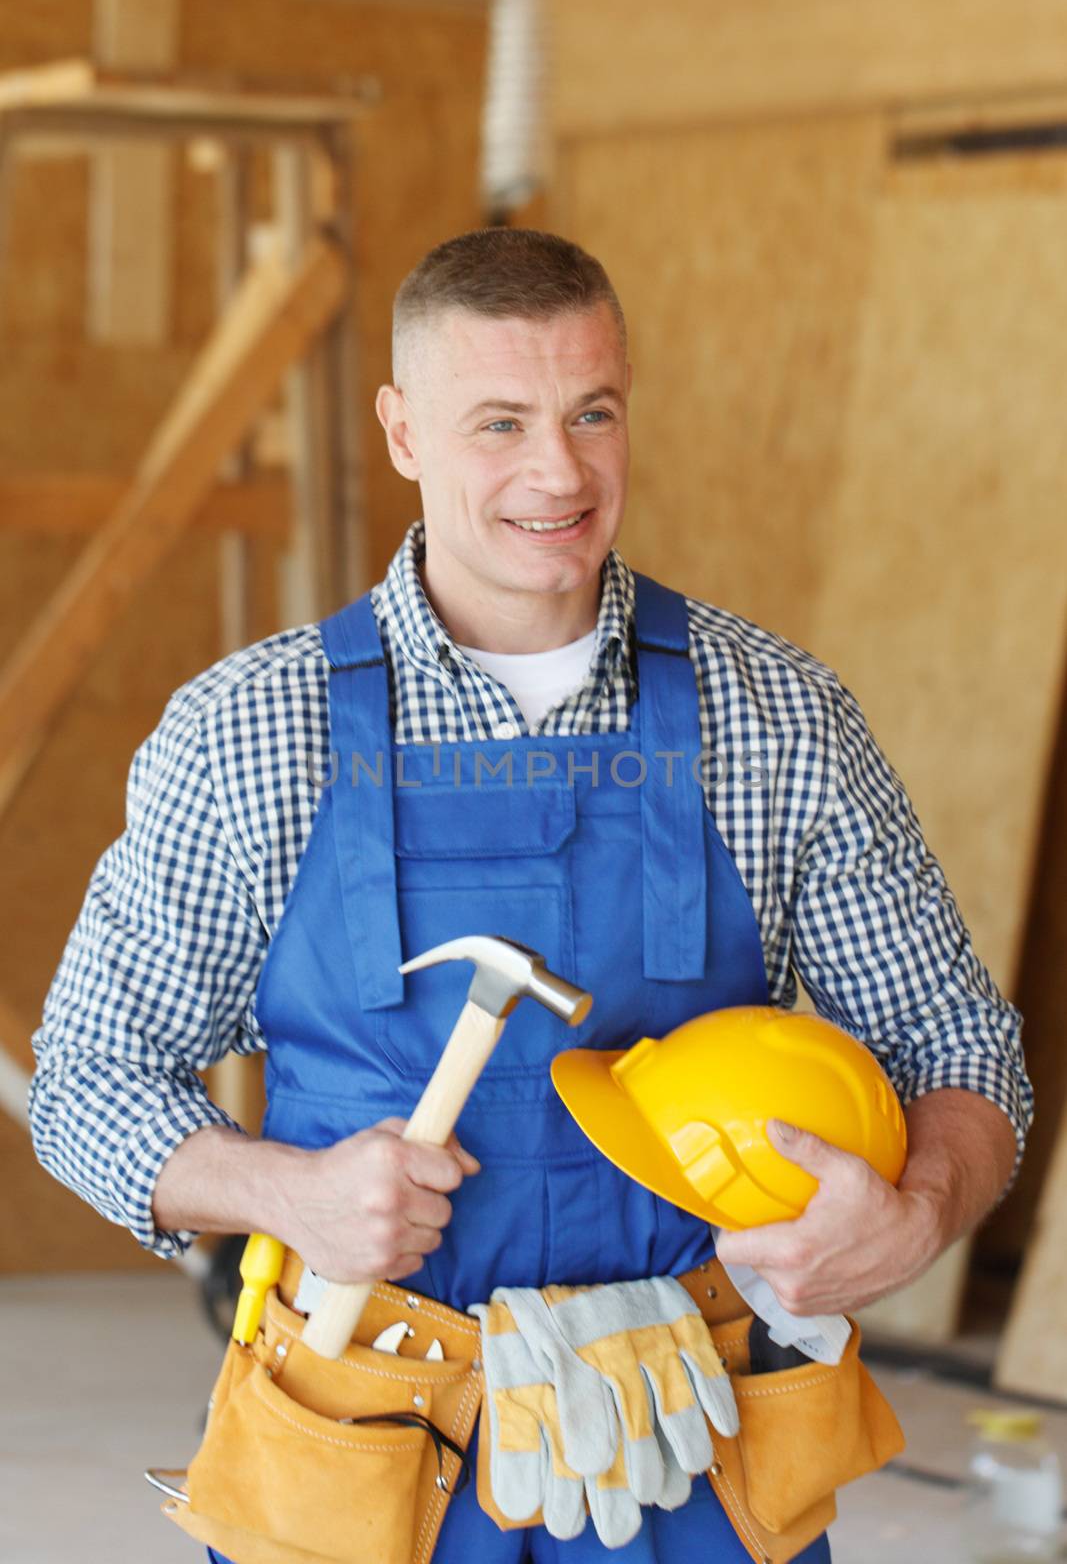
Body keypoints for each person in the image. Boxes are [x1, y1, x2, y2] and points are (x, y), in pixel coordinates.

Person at [30, 228, 1030, 1562]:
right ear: (401, 431)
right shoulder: (250, 735)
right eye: (497, 422)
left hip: (691, 1445)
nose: (557, 473)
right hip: (365, 1443)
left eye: (591, 413)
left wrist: (918, 1212)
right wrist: (285, 1193)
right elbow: (91, 1076)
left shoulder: (774, 717)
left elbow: (960, 1052)